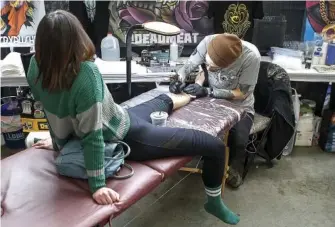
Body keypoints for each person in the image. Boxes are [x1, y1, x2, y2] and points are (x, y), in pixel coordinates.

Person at [28, 10, 240, 225]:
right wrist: (98, 186)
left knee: (162, 100)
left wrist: (58, 142)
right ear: (77, 38)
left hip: (119, 117)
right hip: (126, 136)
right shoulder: (86, 73)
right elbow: (93, 137)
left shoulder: (35, 66)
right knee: (214, 146)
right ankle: (214, 202)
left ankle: (191, 95)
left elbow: (52, 112)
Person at [171, 33, 261, 188]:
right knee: (193, 126)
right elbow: (190, 65)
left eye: (214, 67)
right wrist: (178, 79)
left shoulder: (251, 57)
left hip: (240, 105)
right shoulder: (208, 42)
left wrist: (209, 91)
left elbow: (242, 93)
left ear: (228, 64)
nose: (209, 68)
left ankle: (235, 169)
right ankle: (208, 158)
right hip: (210, 101)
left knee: (239, 139)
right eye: (208, 64)